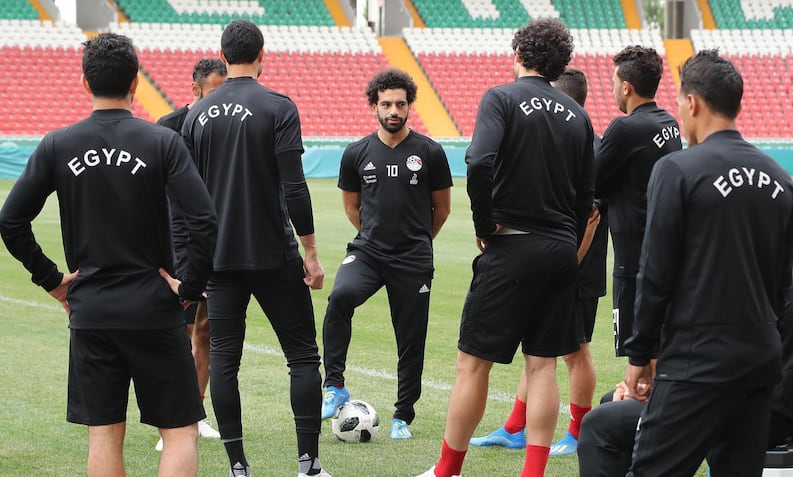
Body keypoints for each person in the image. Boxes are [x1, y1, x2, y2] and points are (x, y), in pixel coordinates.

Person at [0, 33, 217, 477]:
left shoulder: (57, 144)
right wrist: (190, 288)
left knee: (103, 434)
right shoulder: (162, 142)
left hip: (92, 311)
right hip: (155, 309)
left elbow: (10, 221)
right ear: (136, 83)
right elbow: (204, 222)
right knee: (179, 432)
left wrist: (52, 278)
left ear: (84, 83)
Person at [415, 18, 595, 477]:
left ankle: (446, 470)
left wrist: (484, 222)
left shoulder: (501, 97)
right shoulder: (578, 114)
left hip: (512, 245)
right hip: (559, 249)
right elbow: (584, 195)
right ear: (559, 64)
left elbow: (479, 161)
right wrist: (567, 241)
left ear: (518, 53)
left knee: (472, 365)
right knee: (543, 366)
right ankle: (532, 473)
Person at [622, 49, 793, 476]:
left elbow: (656, 274)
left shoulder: (677, 170)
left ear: (693, 102)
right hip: (759, 359)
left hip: (697, 360)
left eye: (680, 103)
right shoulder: (780, 179)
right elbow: (779, 286)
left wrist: (639, 355)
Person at [181, 20, 329, 477]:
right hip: (272, 252)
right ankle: (307, 464)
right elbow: (295, 188)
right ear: (262, 53)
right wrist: (310, 250)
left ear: (222, 56)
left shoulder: (196, 115)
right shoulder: (278, 107)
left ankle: (238, 466)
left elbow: (186, 198)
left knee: (225, 359)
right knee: (302, 355)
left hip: (219, 260)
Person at [469, 67, 607, 455]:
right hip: (562, 252)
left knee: (572, 350)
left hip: (574, 258)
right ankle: (516, 424)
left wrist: (573, 260)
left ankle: (578, 432)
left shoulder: (585, 141)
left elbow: (590, 213)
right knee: (541, 354)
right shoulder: (575, 133)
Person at [576, 240, 793, 477]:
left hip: (760, 417)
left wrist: (657, 390)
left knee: (601, 424)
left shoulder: (777, 291)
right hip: (762, 406)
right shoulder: (773, 288)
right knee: (614, 403)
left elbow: (723, 370)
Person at [320, 68, 453, 440]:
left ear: (409, 105)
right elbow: (352, 207)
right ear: (374, 107)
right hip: (369, 252)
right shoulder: (356, 153)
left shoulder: (430, 152)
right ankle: (334, 385)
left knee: (410, 339)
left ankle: (402, 417)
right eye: (386, 104)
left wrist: (419, 242)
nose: (393, 110)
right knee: (340, 296)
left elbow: (441, 209)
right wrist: (373, 236)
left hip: (413, 260)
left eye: (400, 103)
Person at [155, 57, 227, 451]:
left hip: (219, 239)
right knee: (177, 331)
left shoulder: (232, 126)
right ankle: (172, 419)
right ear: (196, 90)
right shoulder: (167, 128)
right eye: (215, 91)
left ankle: (194, 415)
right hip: (177, 240)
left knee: (208, 329)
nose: (222, 100)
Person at [594, 45, 682, 358]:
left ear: (627, 87)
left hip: (631, 257)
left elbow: (592, 180)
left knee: (637, 352)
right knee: (660, 343)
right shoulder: (669, 122)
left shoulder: (625, 128)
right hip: (665, 246)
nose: (614, 89)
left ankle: (641, 405)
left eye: (615, 83)